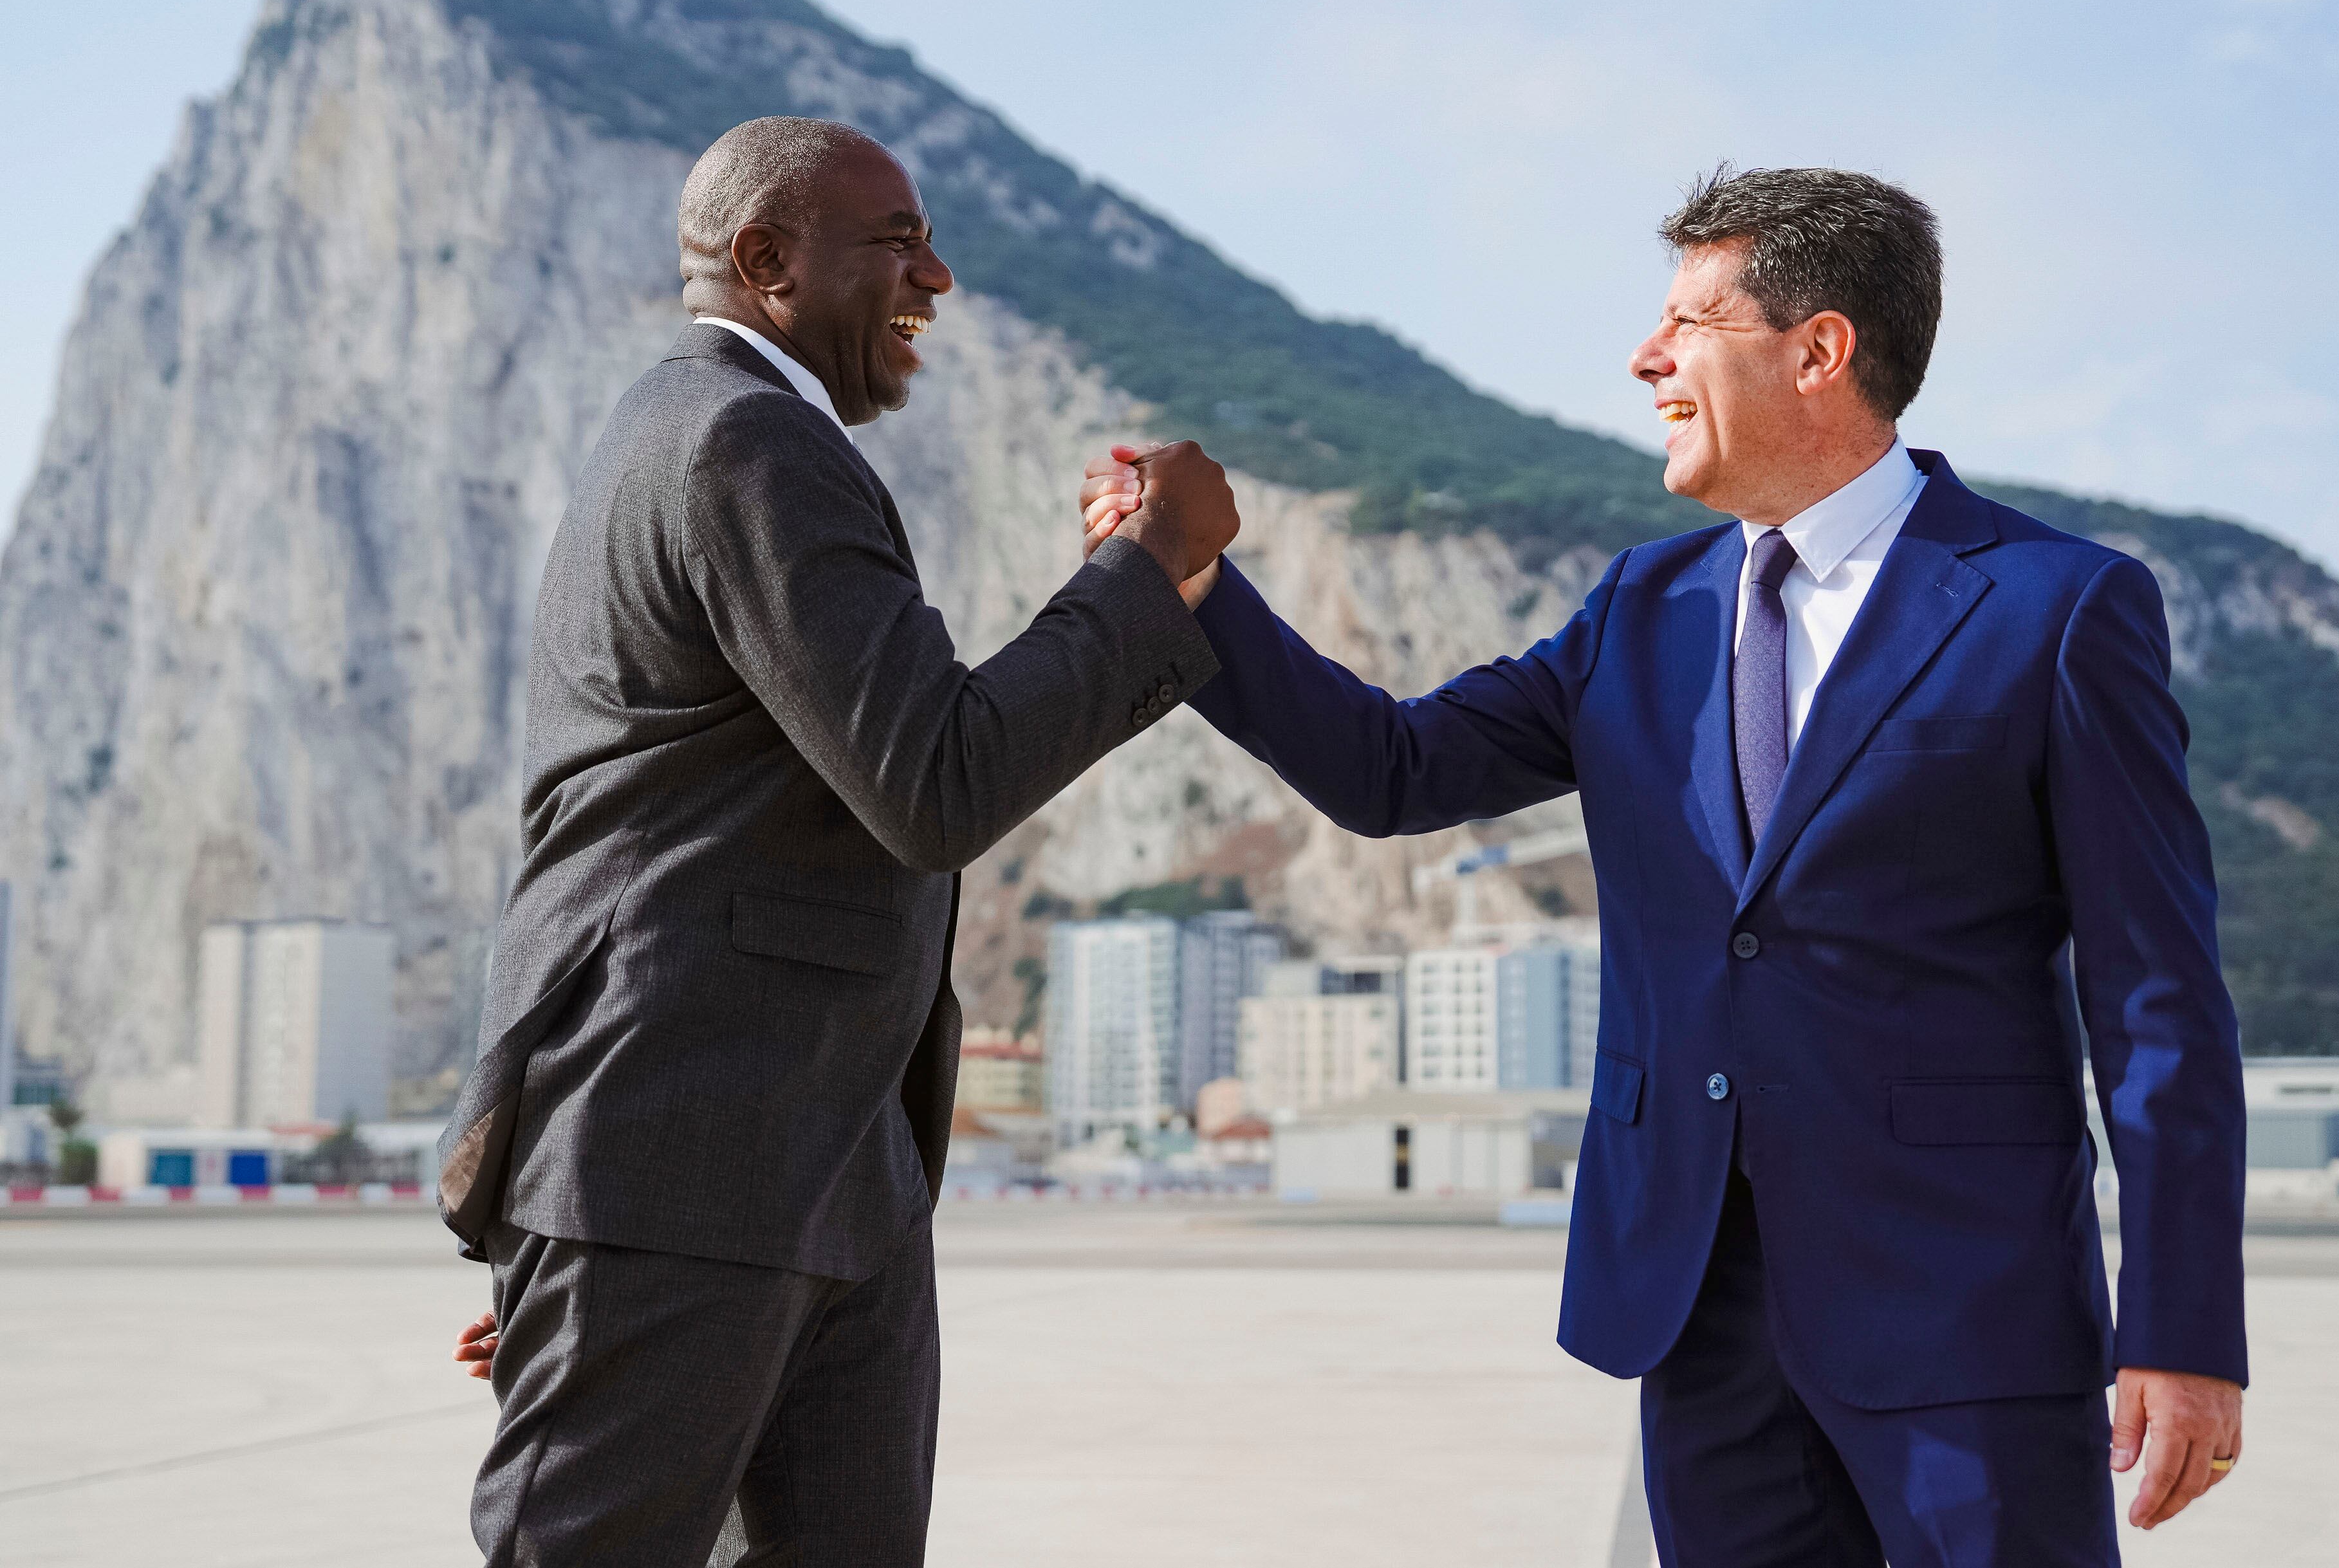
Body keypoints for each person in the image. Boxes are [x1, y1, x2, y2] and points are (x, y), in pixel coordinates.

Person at [1082, 166, 2246, 1566]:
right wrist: (1196, 589)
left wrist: (2182, 1327)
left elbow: (2158, 998)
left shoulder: (2055, 607)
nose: (1646, 358)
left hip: (1962, 1310)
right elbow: (1394, 769)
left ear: (1818, 351)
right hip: (1697, 1309)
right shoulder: (1639, 609)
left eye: (1688, 322)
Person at [436, 115, 1238, 1567]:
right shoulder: (741, 438)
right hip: (683, 1158)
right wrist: (1144, 568)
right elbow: (935, 778)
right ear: (765, 261)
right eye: (896, 241)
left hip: (819, 1173)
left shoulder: (720, 434)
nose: (937, 274)